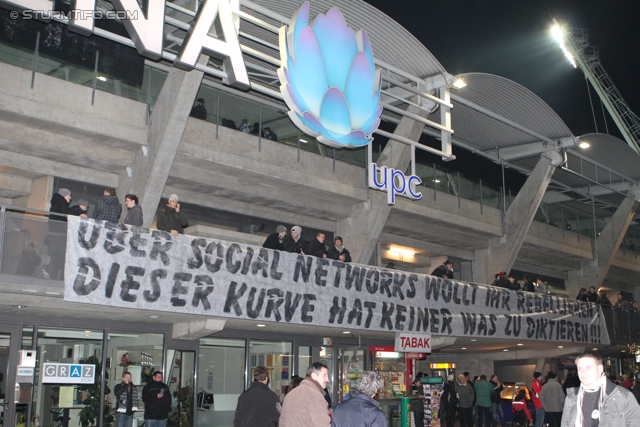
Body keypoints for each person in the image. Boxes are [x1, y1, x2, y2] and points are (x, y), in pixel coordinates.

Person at [561, 351, 640, 427]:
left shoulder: (622, 396)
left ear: (600, 369)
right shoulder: (572, 398)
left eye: (588, 368)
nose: (583, 372)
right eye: (580, 369)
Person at [280, 362, 331, 427]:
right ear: (314, 376)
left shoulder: (290, 395)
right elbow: (323, 424)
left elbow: (282, 422)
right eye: (324, 375)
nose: (327, 379)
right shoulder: (315, 396)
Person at [43, 188, 72, 279]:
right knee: (61, 254)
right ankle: (49, 269)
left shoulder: (55, 202)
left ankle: (51, 272)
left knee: (56, 253)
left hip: (54, 231)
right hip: (60, 232)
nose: (70, 198)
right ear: (65, 195)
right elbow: (67, 216)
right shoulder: (62, 202)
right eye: (69, 195)